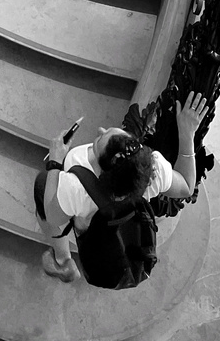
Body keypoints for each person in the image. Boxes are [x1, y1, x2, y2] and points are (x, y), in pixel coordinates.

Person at [34, 92, 210, 282]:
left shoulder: (76, 187)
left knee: (42, 185)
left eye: (98, 141)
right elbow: (186, 186)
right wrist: (187, 133)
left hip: (91, 230)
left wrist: (55, 163)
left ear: (101, 171)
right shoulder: (154, 169)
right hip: (127, 230)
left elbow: (53, 216)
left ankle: (63, 261)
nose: (101, 130)